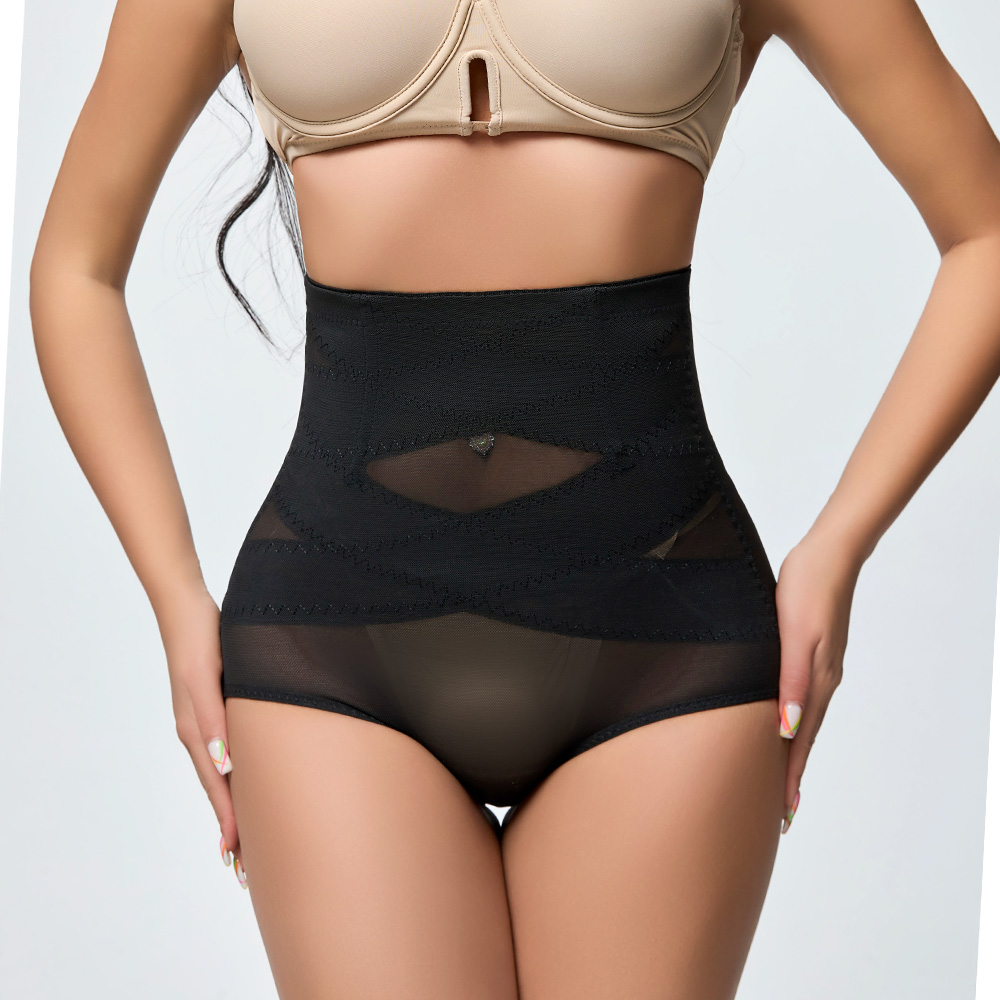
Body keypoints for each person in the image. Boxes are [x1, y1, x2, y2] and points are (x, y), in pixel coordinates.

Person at [29, 0, 1000, 997]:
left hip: (663, 631)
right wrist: (174, 595)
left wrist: (838, 547)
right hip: (334, 639)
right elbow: (73, 267)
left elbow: (986, 231)